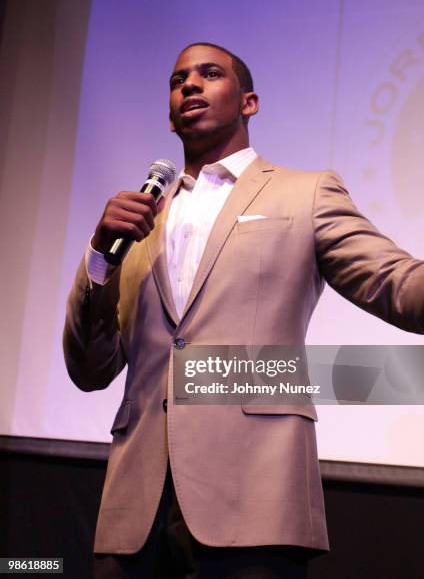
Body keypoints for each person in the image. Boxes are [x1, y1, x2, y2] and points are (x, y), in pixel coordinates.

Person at [63, 42, 424, 578]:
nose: (189, 84)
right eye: (177, 79)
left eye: (209, 74)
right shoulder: (136, 223)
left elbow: (396, 284)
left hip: (255, 494)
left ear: (249, 102)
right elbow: (90, 369)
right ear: (168, 113)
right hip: (134, 507)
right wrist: (98, 256)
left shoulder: (306, 194)